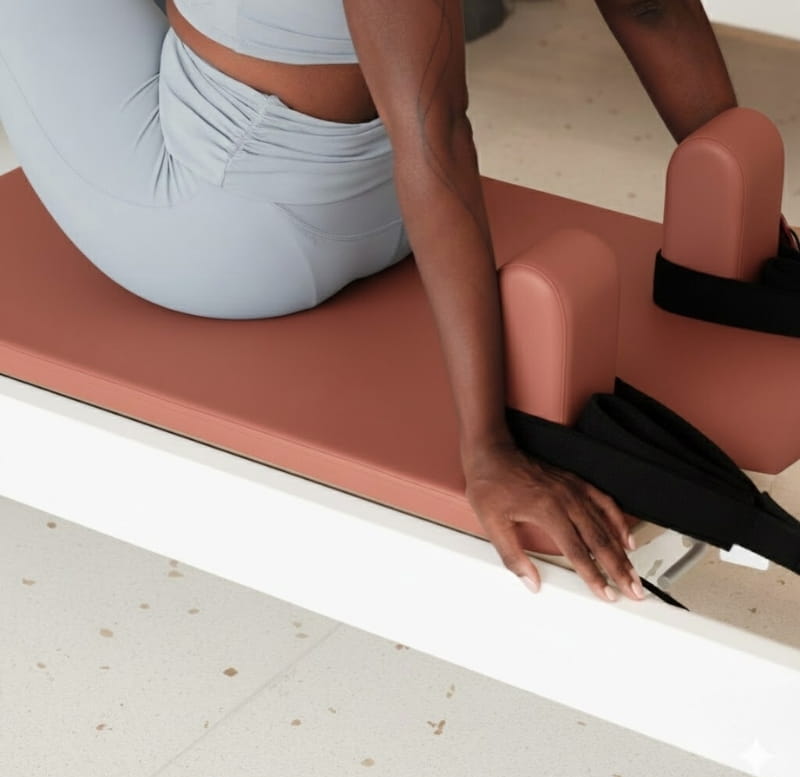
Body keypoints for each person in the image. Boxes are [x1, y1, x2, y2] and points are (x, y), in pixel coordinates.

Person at [0, 0, 737, 604]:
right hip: (381, 208)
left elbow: (436, 140)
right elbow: (649, 7)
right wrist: (740, 212)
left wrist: (489, 449)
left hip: (223, 241)